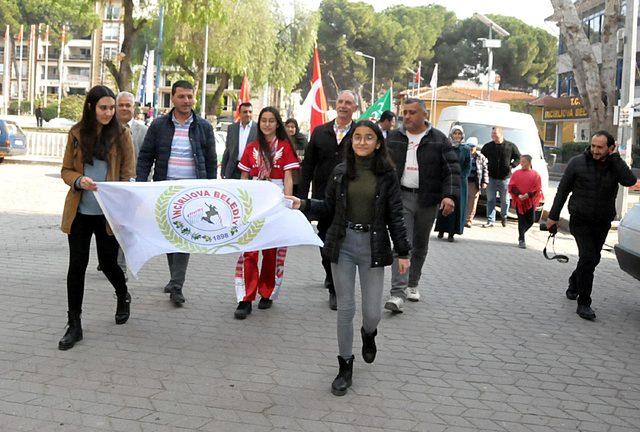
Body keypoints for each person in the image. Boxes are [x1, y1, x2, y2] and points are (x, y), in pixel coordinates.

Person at [286, 120, 410, 396]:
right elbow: (329, 206)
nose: (362, 142)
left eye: (368, 138)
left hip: (373, 246)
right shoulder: (341, 172)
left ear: (378, 143)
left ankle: (369, 334)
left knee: (372, 312)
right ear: (351, 142)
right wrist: (304, 204)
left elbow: (396, 216)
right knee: (345, 309)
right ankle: (345, 366)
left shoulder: (387, 174)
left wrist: (403, 251)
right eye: (357, 138)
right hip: (342, 245)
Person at [58, 85, 136, 350]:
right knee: (77, 266)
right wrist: (79, 180)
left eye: (111, 107)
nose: (108, 112)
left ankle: (123, 294)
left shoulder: (122, 135)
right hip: (80, 211)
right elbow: (66, 170)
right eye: (103, 107)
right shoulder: (77, 133)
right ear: (91, 107)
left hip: (107, 214)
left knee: (109, 263)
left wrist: (122, 204)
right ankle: (74, 323)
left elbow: (128, 175)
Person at [136, 80, 217, 306]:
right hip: (165, 191)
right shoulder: (159, 125)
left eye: (190, 96)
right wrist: (142, 186)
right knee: (170, 236)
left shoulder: (203, 127)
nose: (186, 101)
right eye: (182, 96)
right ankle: (174, 279)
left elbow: (211, 161)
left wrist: (211, 189)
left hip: (192, 193)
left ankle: (177, 285)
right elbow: (145, 157)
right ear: (172, 98)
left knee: (184, 238)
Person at [547, 131, 637, 320]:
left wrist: (616, 159)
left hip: (602, 220)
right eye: (593, 146)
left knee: (592, 259)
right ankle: (584, 303)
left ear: (610, 148)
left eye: (600, 147)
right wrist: (553, 217)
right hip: (580, 219)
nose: (595, 150)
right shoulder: (577, 162)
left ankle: (574, 282)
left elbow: (629, 181)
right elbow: (562, 191)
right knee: (588, 257)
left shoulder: (614, 165)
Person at [384, 98, 460, 313]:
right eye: (405, 112)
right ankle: (397, 293)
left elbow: (452, 170)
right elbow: (383, 167)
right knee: (402, 243)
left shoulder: (438, 140)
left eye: (412, 112)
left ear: (424, 115)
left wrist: (449, 196)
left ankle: (412, 283)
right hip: (401, 198)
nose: (407, 116)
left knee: (420, 244)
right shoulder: (394, 138)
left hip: (428, 199)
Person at [233, 107, 300, 319]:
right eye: (264, 120)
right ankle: (246, 297)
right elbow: (244, 176)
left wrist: (287, 203)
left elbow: (288, 176)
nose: (267, 124)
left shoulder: (284, 146)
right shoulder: (252, 147)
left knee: (271, 251)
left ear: (277, 123)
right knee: (250, 250)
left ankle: (267, 291)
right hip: (254, 202)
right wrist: (242, 202)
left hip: (276, 201)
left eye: (271, 120)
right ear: (259, 123)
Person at [299, 90, 357, 310]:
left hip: (350, 199)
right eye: (341, 102)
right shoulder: (320, 131)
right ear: (336, 105)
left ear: (354, 108)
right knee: (324, 241)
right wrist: (303, 198)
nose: (343, 106)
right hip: (323, 197)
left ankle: (336, 289)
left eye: (348, 103)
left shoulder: (360, 133)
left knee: (341, 245)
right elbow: (308, 166)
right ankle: (329, 273)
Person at [435, 125, 471, 242]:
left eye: (459, 134)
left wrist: (461, 177)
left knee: (457, 206)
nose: (457, 136)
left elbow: (467, 166)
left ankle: (452, 232)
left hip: (460, 182)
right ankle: (441, 229)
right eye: (455, 133)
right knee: (445, 202)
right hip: (448, 180)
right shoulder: (447, 147)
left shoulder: (465, 149)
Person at [481, 126, 521, 227]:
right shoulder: (488, 146)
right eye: (492, 133)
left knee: (505, 200)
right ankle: (490, 220)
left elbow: (518, 157)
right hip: (491, 177)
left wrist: (511, 166)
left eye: (495, 133)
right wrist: (484, 168)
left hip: (505, 178)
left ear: (501, 134)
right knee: (490, 200)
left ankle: (504, 216)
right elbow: (481, 158)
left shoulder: (510, 146)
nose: (493, 135)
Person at [508, 155, 543, 249]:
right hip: (519, 201)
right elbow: (512, 186)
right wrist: (519, 195)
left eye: (524, 162)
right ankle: (522, 240)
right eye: (521, 161)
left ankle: (521, 234)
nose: (521, 163)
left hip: (530, 201)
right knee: (521, 220)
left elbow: (537, 188)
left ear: (529, 163)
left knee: (531, 220)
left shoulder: (536, 174)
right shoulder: (516, 173)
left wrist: (527, 195)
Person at [221, 102, 258, 179]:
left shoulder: (258, 129)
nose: (248, 114)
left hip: (250, 169)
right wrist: (223, 169)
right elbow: (228, 150)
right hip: (233, 169)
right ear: (240, 113)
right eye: (245, 112)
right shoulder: (232, 128)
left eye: (250, 112)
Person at [465, 137, 489, 227]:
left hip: (474, 182)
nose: (471, 148)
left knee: (472, 201)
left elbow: (485, 170)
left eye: (473, 146)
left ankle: (468, 220)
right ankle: (461, 219)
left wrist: (485, 182)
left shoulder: (481, 157)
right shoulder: (463, 154)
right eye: (469, 146)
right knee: (462, 200)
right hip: (463, 181)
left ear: (476, 147)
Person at [116, 92, 148, 157]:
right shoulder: (107, 128)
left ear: (133, 108)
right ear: (115, 107)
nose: (124, 108)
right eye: (121, 105)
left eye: (128, 105)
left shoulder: (144, 131)